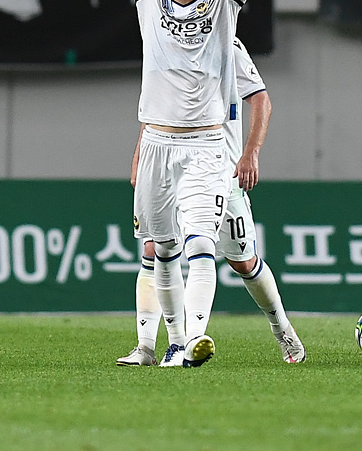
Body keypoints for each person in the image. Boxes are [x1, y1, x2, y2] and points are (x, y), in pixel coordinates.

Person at [110, 0, 271, 367]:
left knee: (200, 242)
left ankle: (193, 340)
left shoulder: (224, 4)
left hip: (204, 146)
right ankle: (168, 344)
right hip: (157, 142)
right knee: (160, 250)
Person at [117, 38, 306, 367]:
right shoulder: (169, 40)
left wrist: (251, 153)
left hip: (218, 167)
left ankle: (282, 329)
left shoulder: (226, 44)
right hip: (170, 163)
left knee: (243, 262)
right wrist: (140, 155)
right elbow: (159, 107)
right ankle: (153, 346)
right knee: (155, 246)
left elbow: (261, 99)